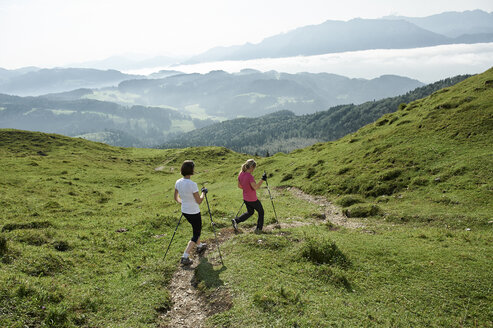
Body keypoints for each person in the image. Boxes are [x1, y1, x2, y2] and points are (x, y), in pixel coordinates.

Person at [174, 160, 207, 266]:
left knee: (195, 228)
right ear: (192, 170)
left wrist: (182, 203)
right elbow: (199, 201)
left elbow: (175, 197)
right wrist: (203, 193)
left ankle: (200, 246)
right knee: (196, 233)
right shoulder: (192, 184)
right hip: (194, 211)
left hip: (185, 211)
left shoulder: (178, 182)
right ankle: (185, 256)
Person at [232, 159, 267, 234]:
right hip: (252, 199)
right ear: (251, 167)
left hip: (246, 198)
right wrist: (262, 179)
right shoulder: (249, 176)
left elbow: (239, 186)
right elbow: (255, 187)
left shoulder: (241, 174)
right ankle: (259, 229)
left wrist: (246, 188)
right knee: (261, 212)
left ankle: (236, 220)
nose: (254, 170)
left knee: (250, 212)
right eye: (254, 168)